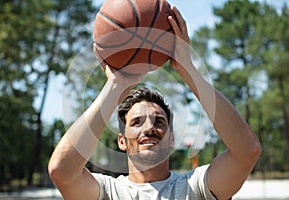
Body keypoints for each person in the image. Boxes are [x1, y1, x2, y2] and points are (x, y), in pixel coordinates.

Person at [48, 6, 261, 200]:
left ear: (172, 138)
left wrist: (188, 69)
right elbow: (61, 171)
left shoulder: (195, 187)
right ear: (121, 141)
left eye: (159, 122)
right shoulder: (108, 192)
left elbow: (247, 150)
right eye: (137, 122)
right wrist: (114, 87)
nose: (149, 127)